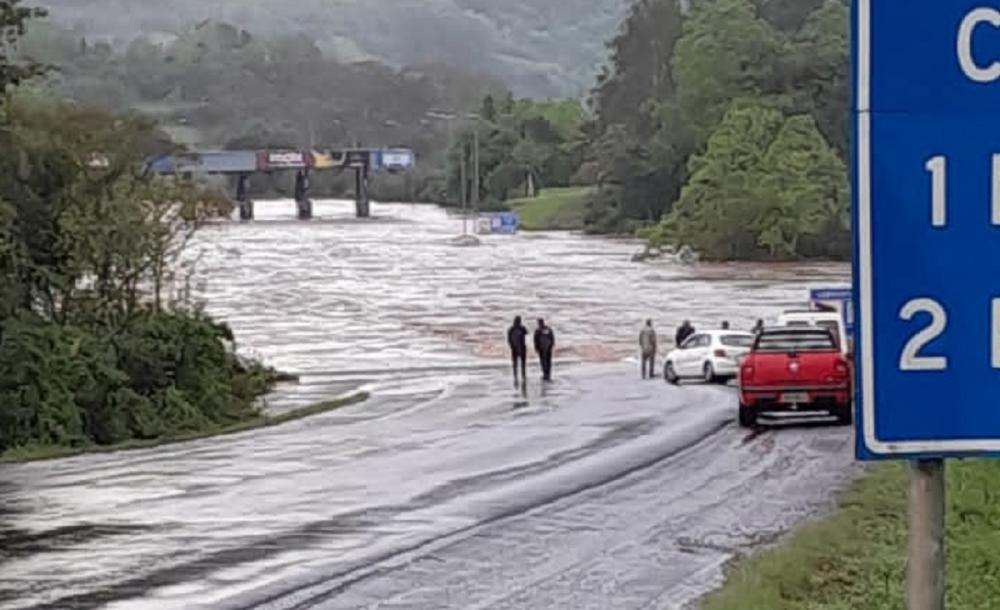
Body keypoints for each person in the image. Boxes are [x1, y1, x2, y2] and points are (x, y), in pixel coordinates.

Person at [507, 316, 528, 387]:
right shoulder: (513, 329)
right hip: (516, 348)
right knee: (516, 363)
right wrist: (511, 346)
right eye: (518, 321)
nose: (518, 322)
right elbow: (509, 339)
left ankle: (522, 375)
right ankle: (517, 375)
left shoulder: (519, 328)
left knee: (522, 363)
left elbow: (526, 332)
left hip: (520, 347)